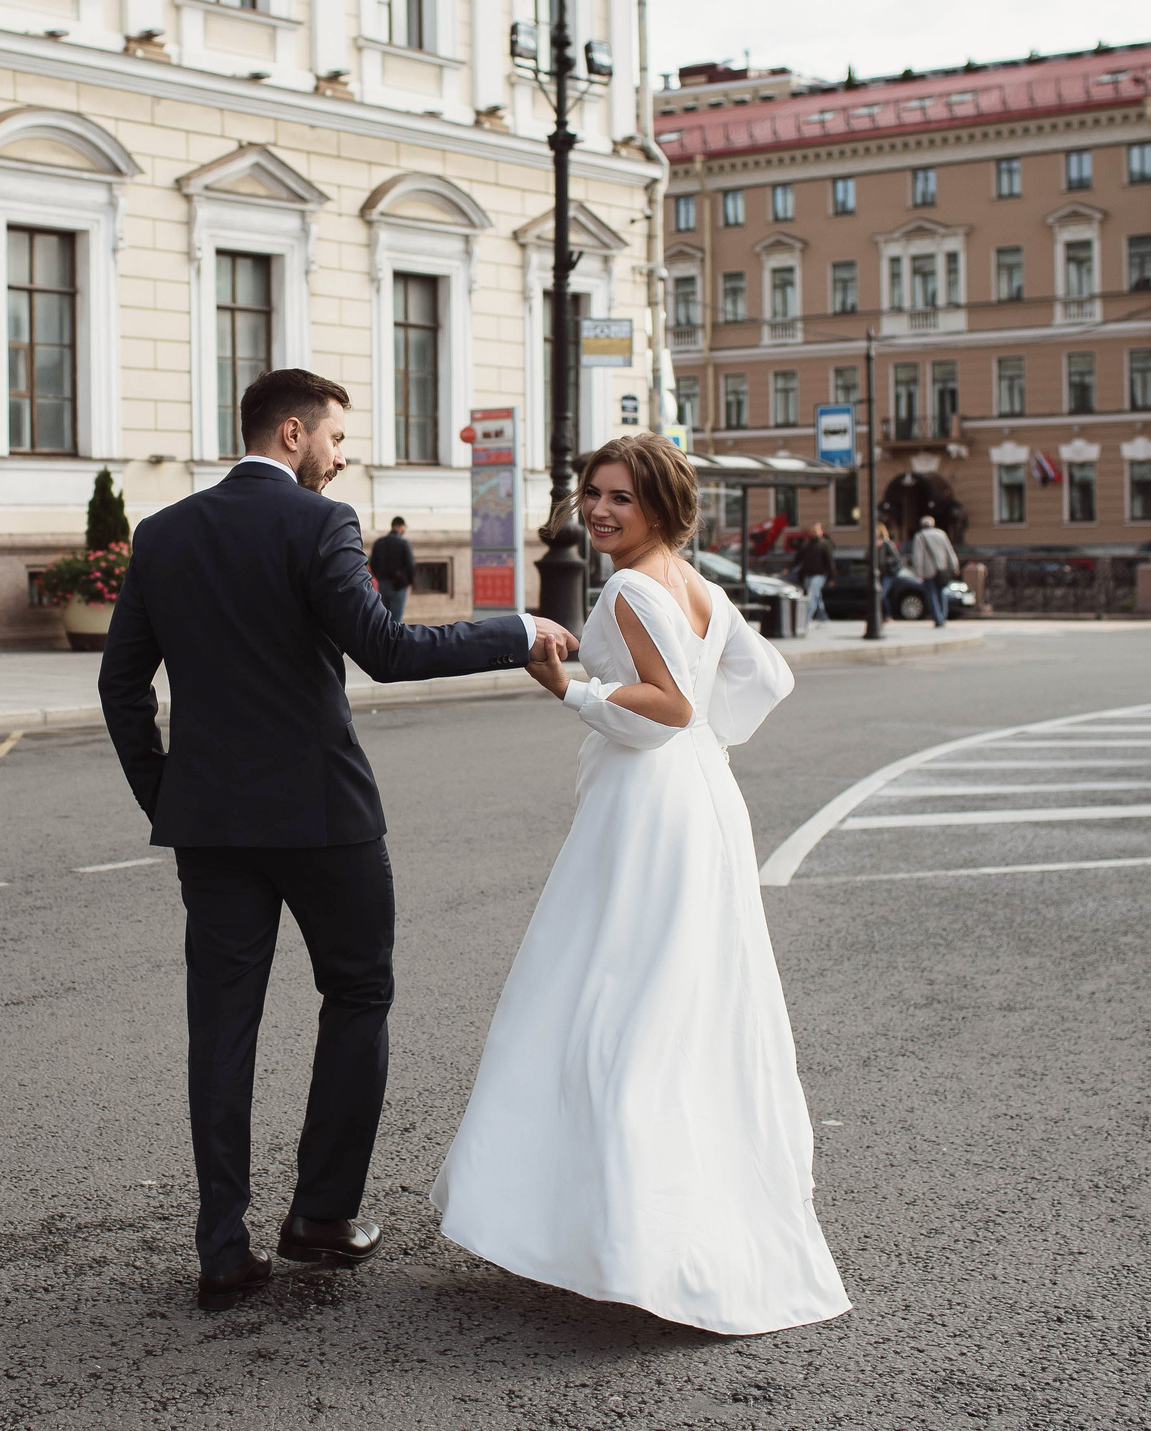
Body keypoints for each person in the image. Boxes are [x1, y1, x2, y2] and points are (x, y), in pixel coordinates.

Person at [98, 368, 579, 1314]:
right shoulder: (321, 524)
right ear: (291, 433)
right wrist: (517, 629)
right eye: (336, 437)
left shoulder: (163, 534)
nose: (343, 453)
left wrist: (171, 793)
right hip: (325, 818)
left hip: (213, 826)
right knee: (358, 991)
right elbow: (388, 652)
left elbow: (121, 686)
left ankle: (223, 1249)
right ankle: (321, 1215)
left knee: (220, 1025)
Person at [434, 433, 850, 1336]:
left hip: (646, 807)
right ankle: (662, 1217)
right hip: (704, 802)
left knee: (604, 993)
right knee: (689, 994)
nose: (597, 510)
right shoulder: (698, 584)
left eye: (619, 497)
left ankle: (615, 1231)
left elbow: (671, 706)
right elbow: (761, 681)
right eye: (592, 493)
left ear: (660, 504)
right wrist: (708, 745)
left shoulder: (627, 587)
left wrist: (570, 691)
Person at [906, 514, 960, 628]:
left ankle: (938, 618)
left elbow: (917, 555)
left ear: (922, 525)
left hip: (928, 571)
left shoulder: (920, 536)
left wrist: (918, 571)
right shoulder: (941, 534)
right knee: (941, 592)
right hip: (942, 569)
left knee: (931, 594)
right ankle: (943, 617)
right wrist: (955, 566)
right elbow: (949, 551)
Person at [369, 516, 415, 623]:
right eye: (404, 527)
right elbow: (410, 565)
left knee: (384, 619)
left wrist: (380, 578)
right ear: (400, 526)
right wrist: (410, 581)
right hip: (399, 585)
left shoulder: (379, 543)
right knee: (396, 620)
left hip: (383, 584)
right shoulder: (404, 543)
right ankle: (394, 640)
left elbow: (373, 564)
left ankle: (384, 639)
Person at [791, 523, 835, 630]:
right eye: (813, 530)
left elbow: (830, 561)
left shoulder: (824, 544)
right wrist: (790, 567)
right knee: (816, 595)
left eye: (816, 530)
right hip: (808, 574)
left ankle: (806, 620)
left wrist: (831, 577)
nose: (814, 532)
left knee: (811, 595)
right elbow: (799, 558)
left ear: (821, 532)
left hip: (819, 574)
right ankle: (823, 617)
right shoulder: (807, 544)